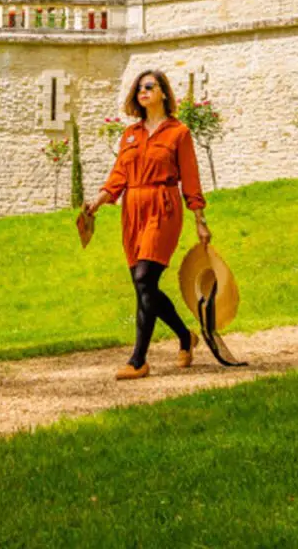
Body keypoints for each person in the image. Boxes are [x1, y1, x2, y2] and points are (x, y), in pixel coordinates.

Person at [84, 67, 209, 378]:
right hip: (132, 212)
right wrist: (98, 201)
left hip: (163, 207)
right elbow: (118, 176)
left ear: (163, 92)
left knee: (143, 279)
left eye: (149, 86)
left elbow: (190, 178)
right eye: (139, 88)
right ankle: (184, 336)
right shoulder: (130, 134)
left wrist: (199, 219)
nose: (143, 92)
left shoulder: (178, 133)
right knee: (145, 286)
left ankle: (138, 361)